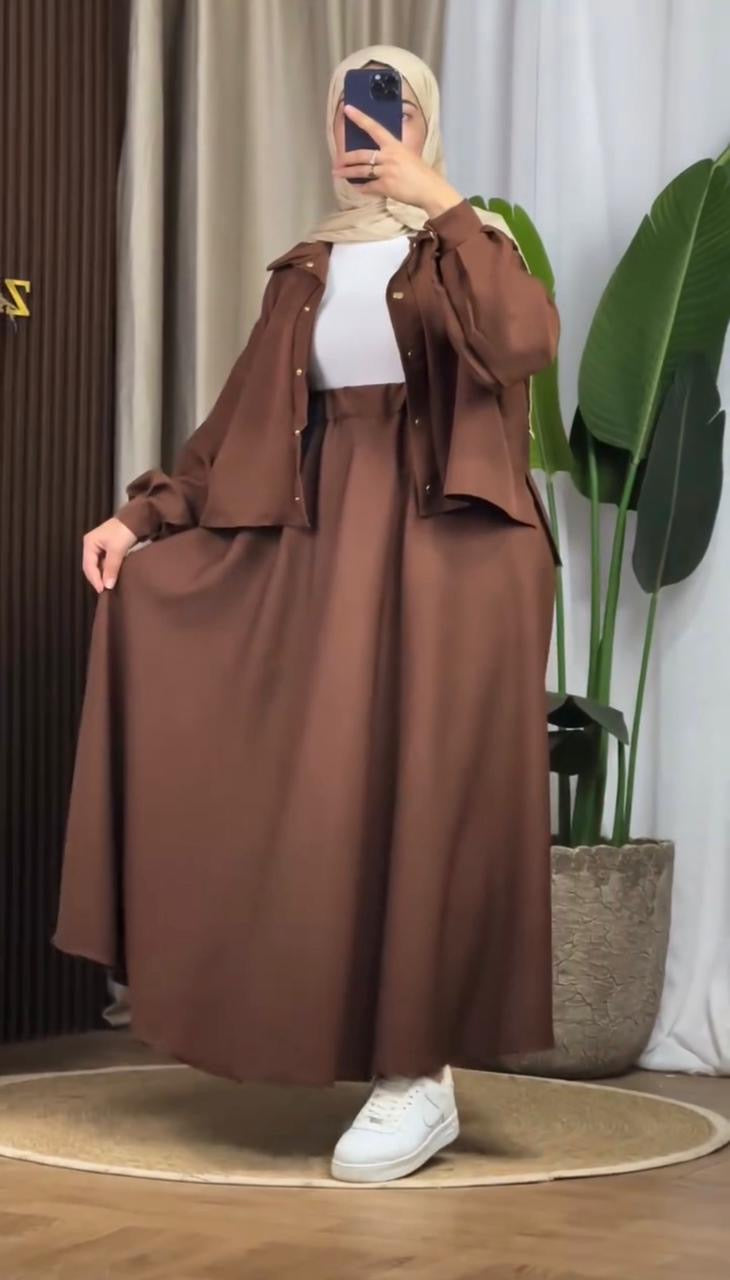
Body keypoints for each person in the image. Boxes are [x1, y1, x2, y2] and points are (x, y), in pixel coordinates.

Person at [51, 44, 561, 1184]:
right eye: (345, 110)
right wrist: (140, 519)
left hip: (453, 556)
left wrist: (441, 204)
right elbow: (235, 429)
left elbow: (522, 342)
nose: (361, 130)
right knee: (328, 790)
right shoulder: (306, 268)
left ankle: (417, 1073)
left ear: (423, 123)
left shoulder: (474, 244)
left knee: (430, 796)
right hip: (329, 545)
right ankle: (352, 1044)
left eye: (387, 108)